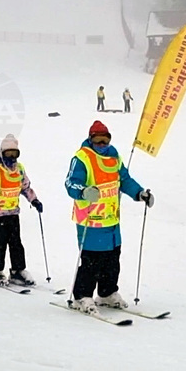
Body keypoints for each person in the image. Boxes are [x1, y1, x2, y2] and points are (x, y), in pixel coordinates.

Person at [64, 120, 154, 316]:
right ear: (91, 140)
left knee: (112, 259)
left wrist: (139, 193)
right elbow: (71, 183)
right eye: (98, 141)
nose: (102, 145)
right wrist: (84, 191)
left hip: (111, 218)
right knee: (92, 260)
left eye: (105, 141)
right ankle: (82, 295)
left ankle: (107, 293)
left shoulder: (114, 157)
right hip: (90, 219)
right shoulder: (82, 158)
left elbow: (125, 180)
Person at [0, 134, 42, 286]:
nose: (12, 157)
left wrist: (34, 200)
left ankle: (17, 271)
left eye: (15, 154)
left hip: (13, 212)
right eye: (8, 153)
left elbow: (25, 187)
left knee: (16, 243)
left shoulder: (19, 169)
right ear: (2, 153)